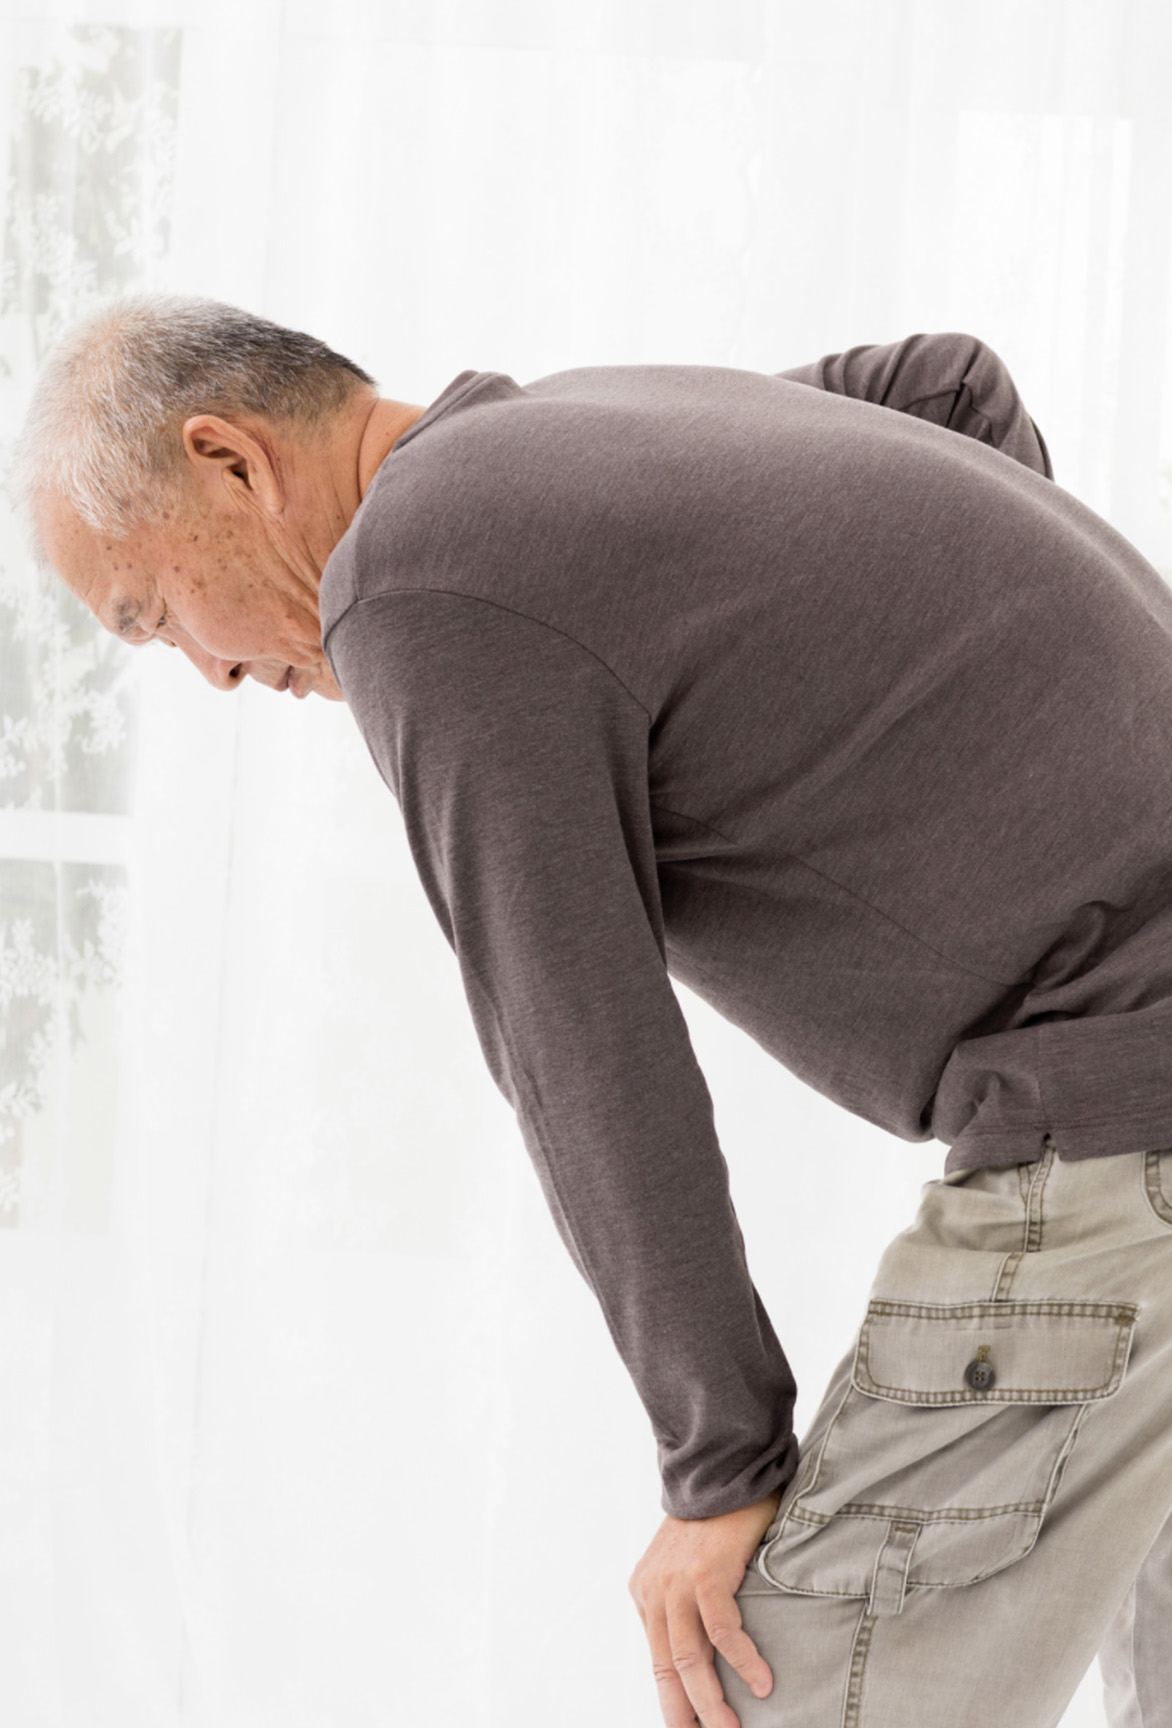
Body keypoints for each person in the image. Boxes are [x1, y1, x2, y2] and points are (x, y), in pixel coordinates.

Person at [17, 297, 1172, 1728]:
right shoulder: (575, 435)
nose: (212, 674)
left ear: (228, 462)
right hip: (1138, 1097)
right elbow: (944, 386)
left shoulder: (415, 585)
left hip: (1115, 1123)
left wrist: (722, 1463)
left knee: (788, 1693)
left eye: (152, 613)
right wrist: (1032, 748)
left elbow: (576, 1049)